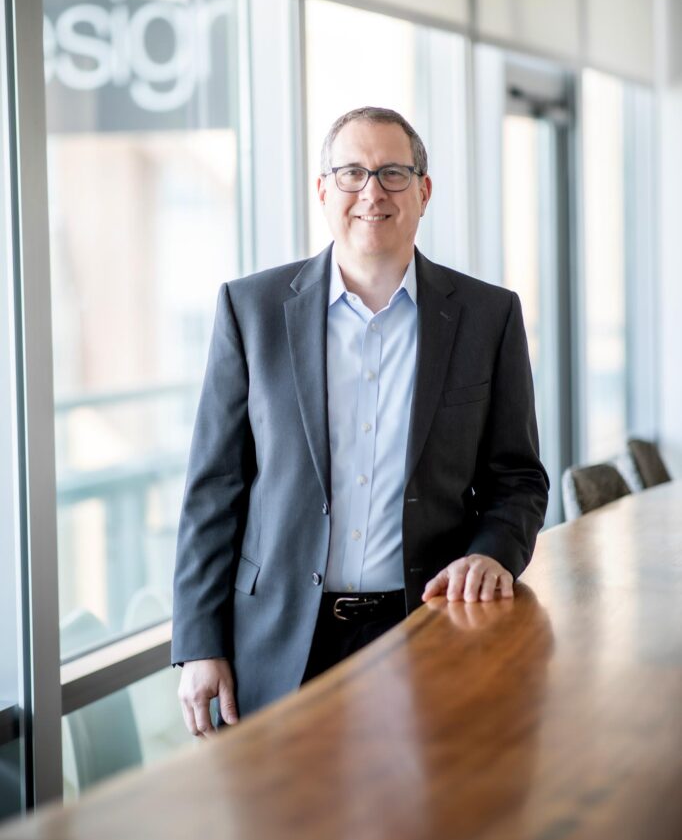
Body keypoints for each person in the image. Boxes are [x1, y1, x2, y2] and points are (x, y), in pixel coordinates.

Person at [172, 106, 549, 737]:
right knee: (285, 827)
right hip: (280, 639)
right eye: (351, 173)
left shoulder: (489, 317)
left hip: (428, 625)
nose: (372, 192)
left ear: (424, 192)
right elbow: (214, 489)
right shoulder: (251, 310)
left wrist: (493, 555)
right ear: (323, 191)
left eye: (394, 173)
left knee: (425, 823)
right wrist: (200, 641)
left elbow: (518, 478)